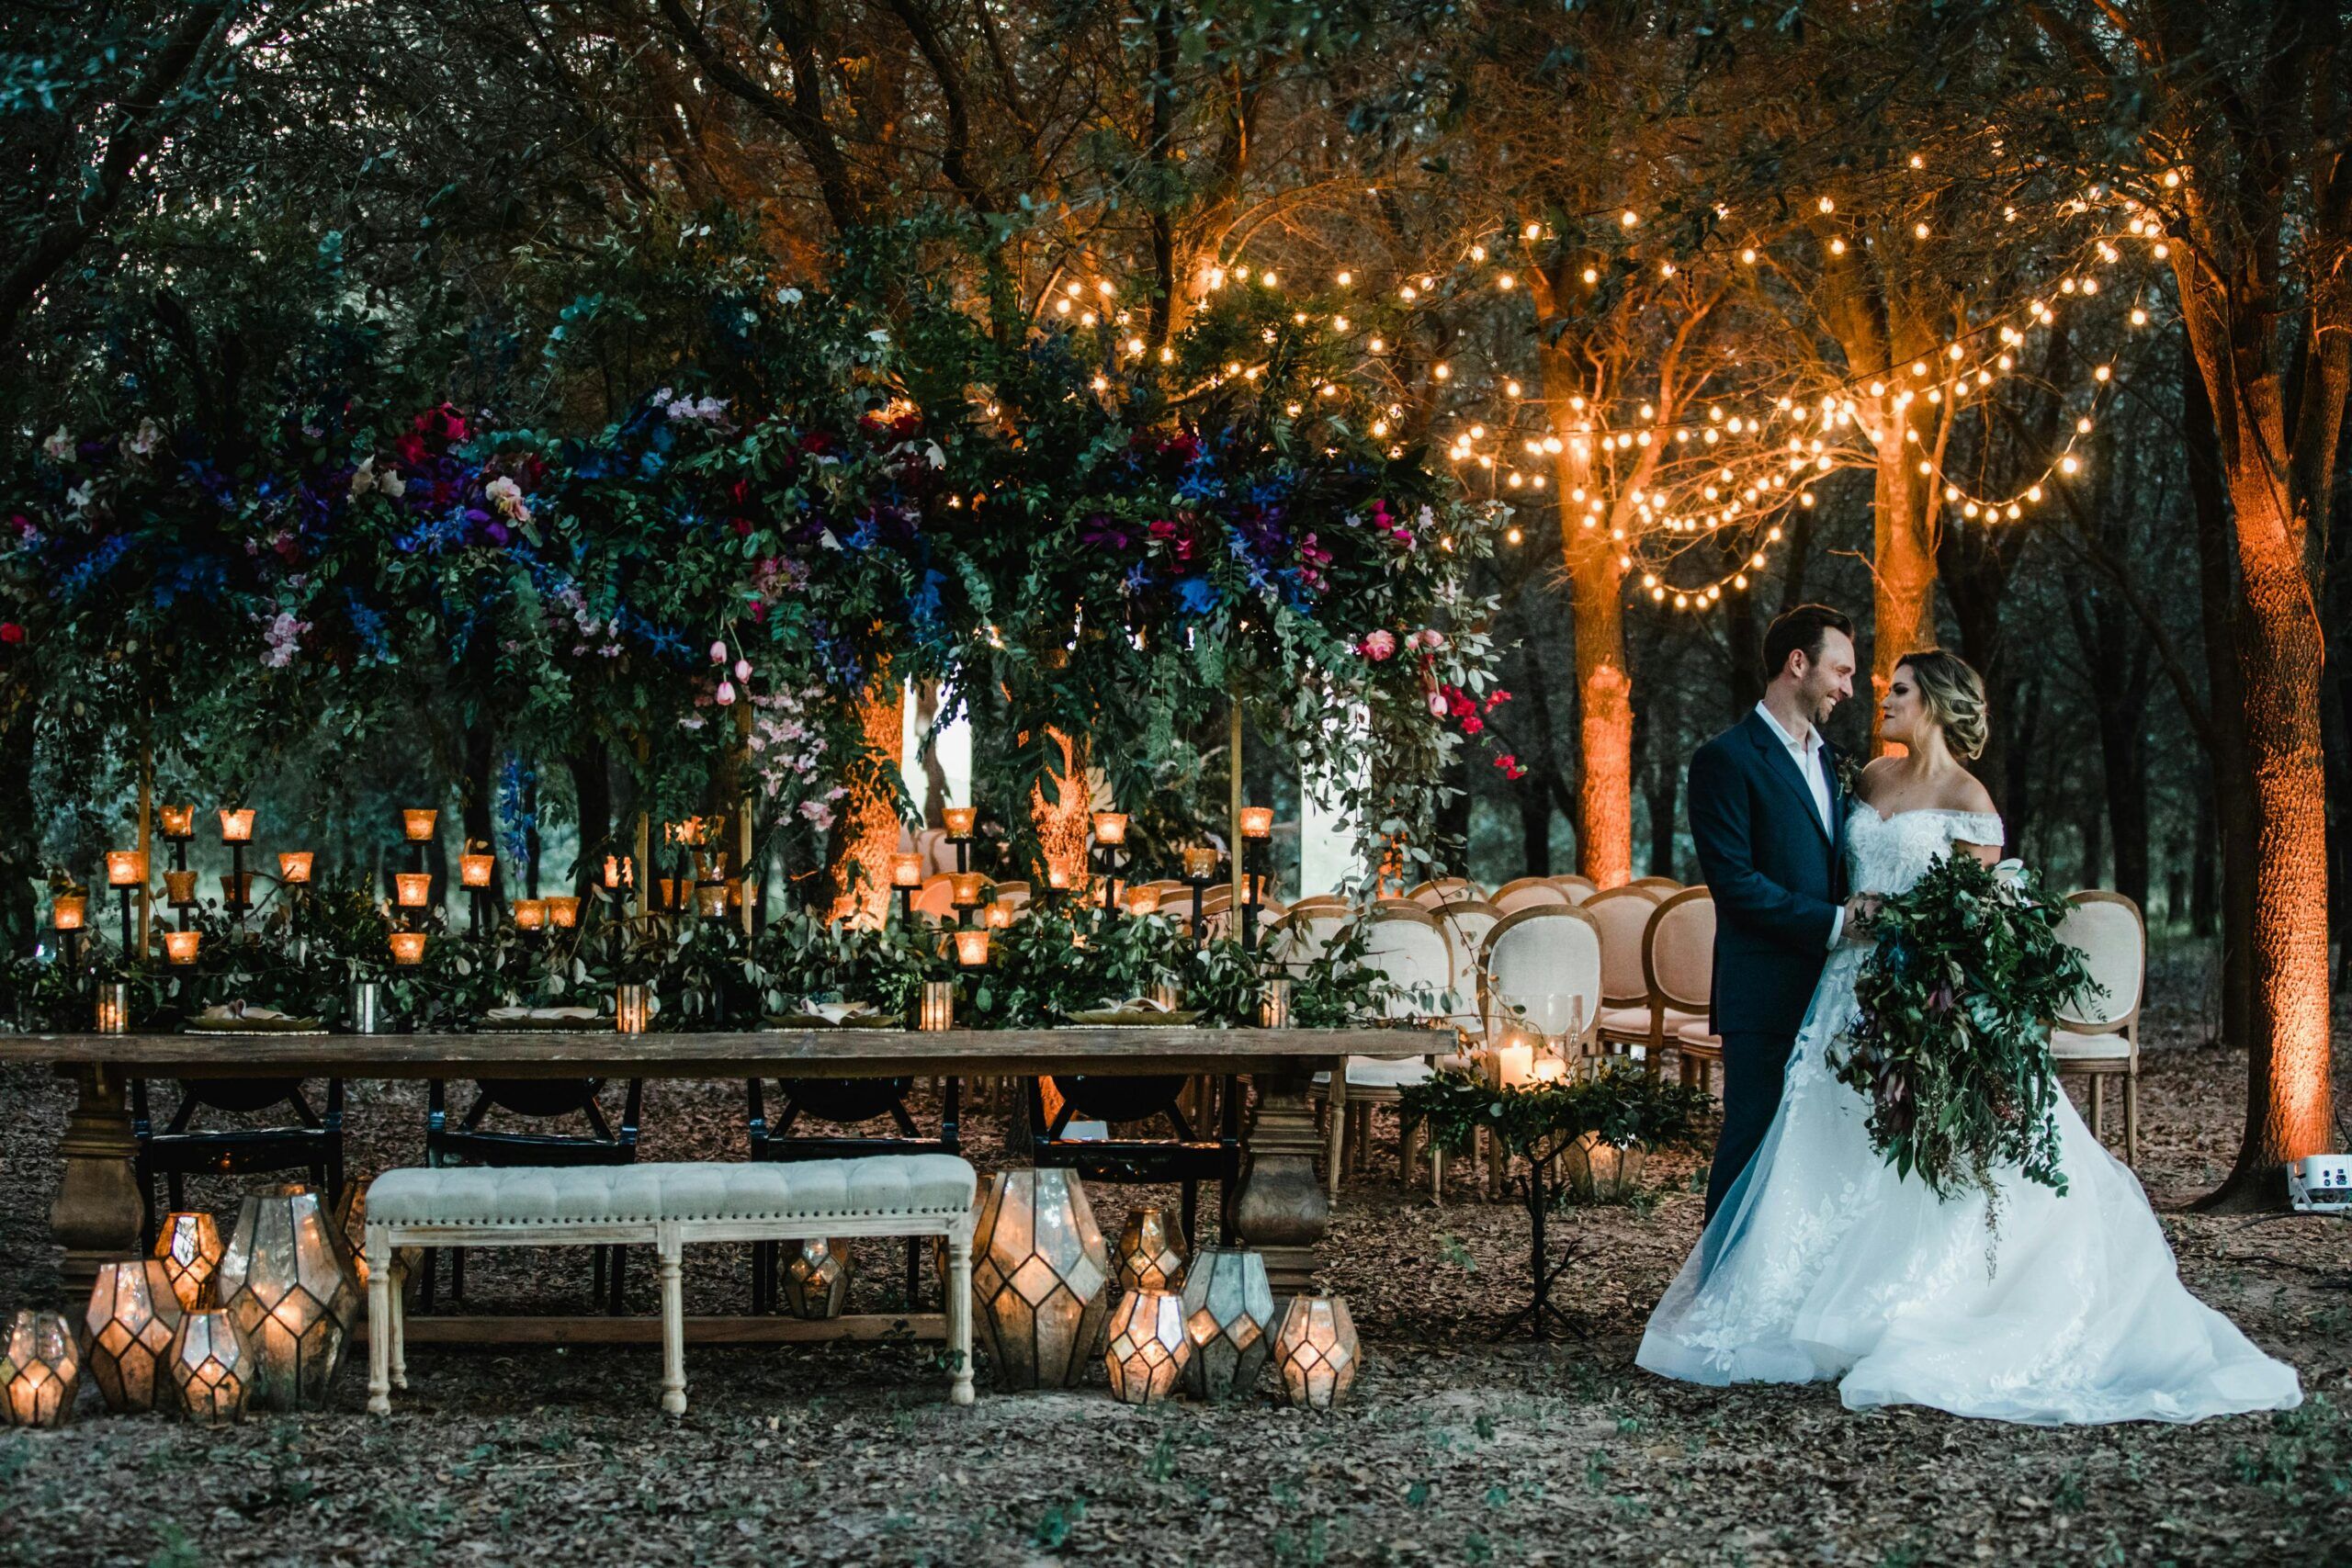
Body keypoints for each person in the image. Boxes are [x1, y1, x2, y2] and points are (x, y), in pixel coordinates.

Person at [1640, 649, 2301, 1423]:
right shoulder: (1866, 779)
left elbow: (1975, 919)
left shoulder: (1969, 800)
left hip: (1927, 998)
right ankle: (1793, 1302)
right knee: (1824, 1141)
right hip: (1843, 994)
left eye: (1898, 689)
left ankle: (1918, 1304)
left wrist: (1941, 1000)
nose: (1880, 698)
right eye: (1878, 684)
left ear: (1937, 704)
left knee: (1922, 1156)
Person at [1683, 604, 1872, 1223]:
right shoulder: (1725, 760)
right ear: (1799, 663)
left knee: (1821, 1149)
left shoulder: (1838, 762)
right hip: (1762, 991)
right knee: (1751, 1143)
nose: (1849, 687)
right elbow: (1735, 884)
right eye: (1840, 671)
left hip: (1835, 992)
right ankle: (1716, 1290)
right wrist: (1836, 923)